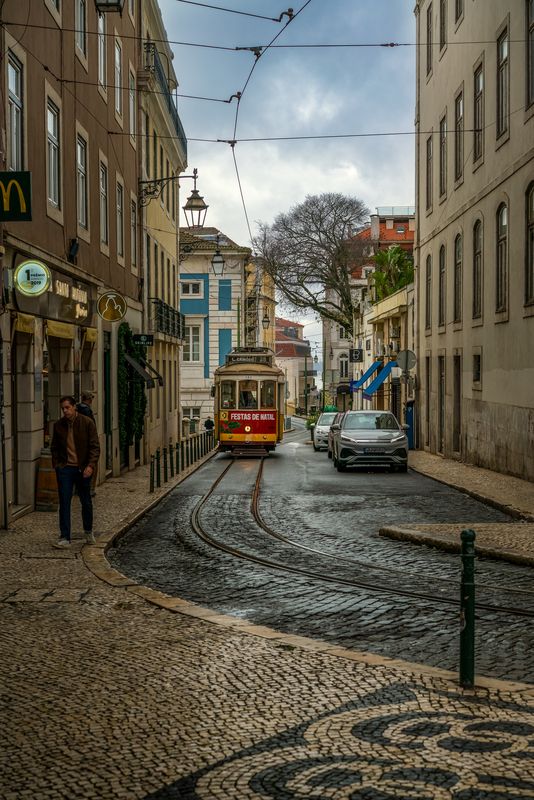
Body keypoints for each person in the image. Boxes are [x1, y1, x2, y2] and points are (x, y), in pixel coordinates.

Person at [50, 395, 100, 548]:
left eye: (67, 407)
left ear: (74, 407)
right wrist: (58, 465)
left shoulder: (87, 423)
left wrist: (90, 466)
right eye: (63, 408)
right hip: (66, 469)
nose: (65, 411)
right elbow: (55, 448)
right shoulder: (59, 425)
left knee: (86, 500)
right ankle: (65, 536)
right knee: (64, 502)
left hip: (83, 468)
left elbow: (95, 447)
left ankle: (88, 531)